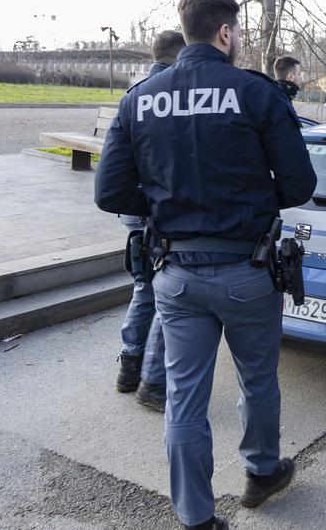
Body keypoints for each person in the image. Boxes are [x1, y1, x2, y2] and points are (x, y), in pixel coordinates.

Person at [95, 0, 316, 530]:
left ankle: (195, 517)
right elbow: (299, 184)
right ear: (224, 33)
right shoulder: (256, 93)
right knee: (257, 381)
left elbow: (110, 193)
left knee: (185, 398)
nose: (238, 41)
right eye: (237, 33)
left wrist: (169, 205)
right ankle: (262, 471)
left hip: (174, 274)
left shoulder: (141, 98)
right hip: (246, 271)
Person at [116, 29, 186, 414]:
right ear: (180, 56)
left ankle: (131, 362)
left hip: (134, 211)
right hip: (158, 210)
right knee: (158, 291)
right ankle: (147, 374)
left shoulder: (136, 93)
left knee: (144, 287)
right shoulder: (171, 94)